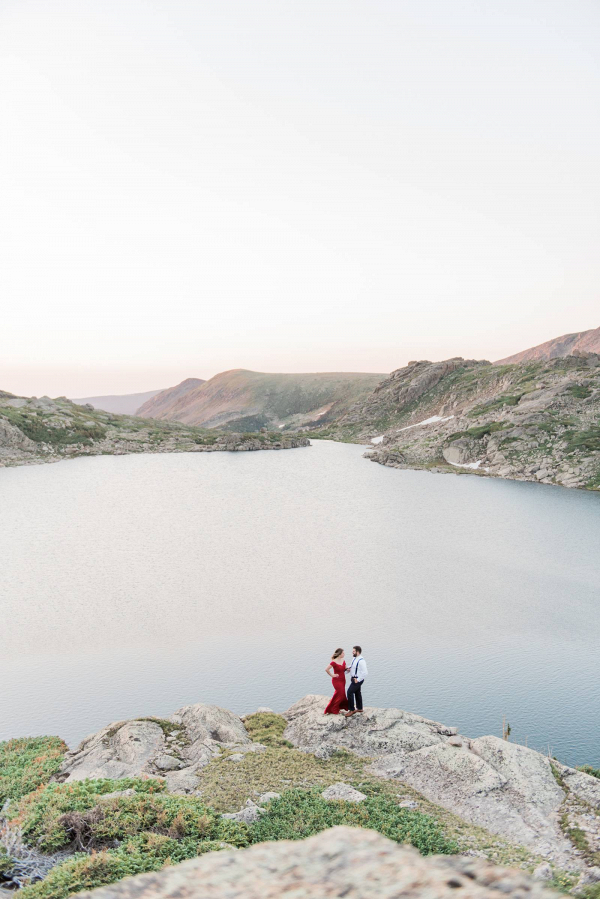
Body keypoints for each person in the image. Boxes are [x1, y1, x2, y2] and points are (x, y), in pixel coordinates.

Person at [324, 648, 349, 715]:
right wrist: (332, 675)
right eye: (343, 653)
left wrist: (348, 669)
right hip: (336, 681)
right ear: (340, 654)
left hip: (343, 680)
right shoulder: (334, 662)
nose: (344, 654)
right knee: (340, 694)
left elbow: (345, 668)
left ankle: (338, 707)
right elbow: (326, 669)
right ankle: (333, 709)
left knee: (341, 694)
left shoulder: (343, 660)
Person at [345, 645, 367, 717]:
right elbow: (352, 667)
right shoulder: (354, 659)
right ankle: (360, 708)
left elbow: (365, 672)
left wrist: (358, 680)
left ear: (357, 652)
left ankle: (351, 709)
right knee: (357, 692)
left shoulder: (361, 661)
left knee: (349, 692)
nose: (352, 652)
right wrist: (347, 670)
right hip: (354, 679)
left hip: (356, 680)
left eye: (354, 651)